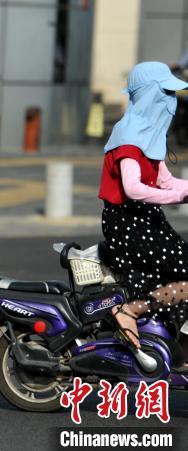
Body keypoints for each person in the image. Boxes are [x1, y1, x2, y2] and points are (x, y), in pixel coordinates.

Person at [99, 61, 188, 352]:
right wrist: (178, 198)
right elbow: (133, 188)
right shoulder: (129, 136)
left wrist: (183, 191)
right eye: (165, 93)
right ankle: (131, 310)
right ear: (149, 94)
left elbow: (166, 181)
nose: (171, 102)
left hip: (147, 218)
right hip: (126, 222)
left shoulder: (149, 136)